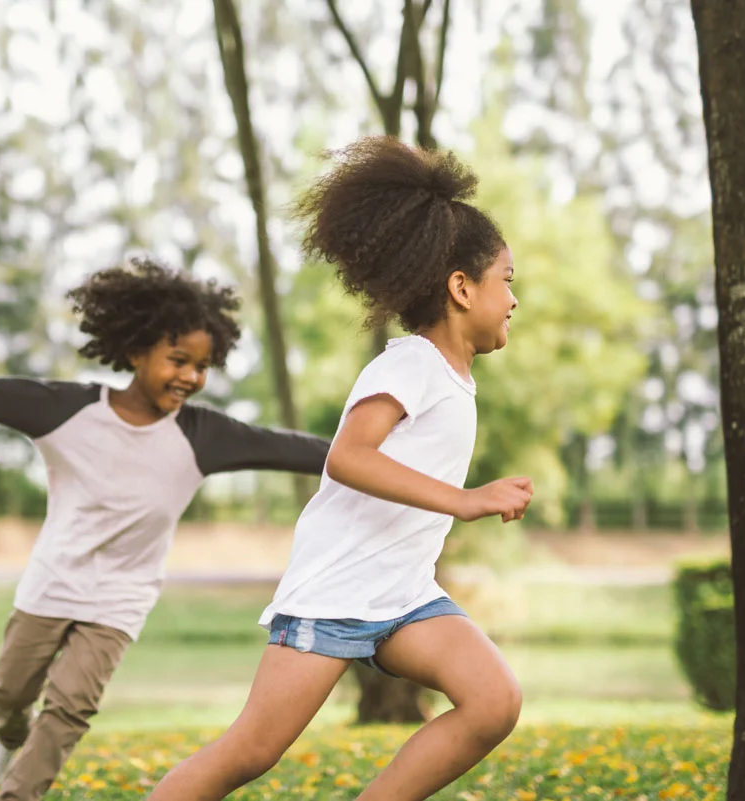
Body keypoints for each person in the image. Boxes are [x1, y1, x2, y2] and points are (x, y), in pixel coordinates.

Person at [0, 257, 330, 801]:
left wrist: (378, 453)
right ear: (136, 352)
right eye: (178, 360)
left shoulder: (204, 436)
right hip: (54, 579)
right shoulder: (65, 410)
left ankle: (17, 796)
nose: (191, 376)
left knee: (71, 706)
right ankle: (7, 730)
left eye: (202, 365)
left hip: (122, 595)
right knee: (11, 687)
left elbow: (294, 448)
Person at [147, 136, 533, 801]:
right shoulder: (409, 364)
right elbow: (348, 456)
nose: (514, 300)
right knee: (252, 749)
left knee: (493, 700)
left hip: (405, 597)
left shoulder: (451, 377)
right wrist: (463, 499)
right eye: (508, 280)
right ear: (462, 287)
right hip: (337, 595)